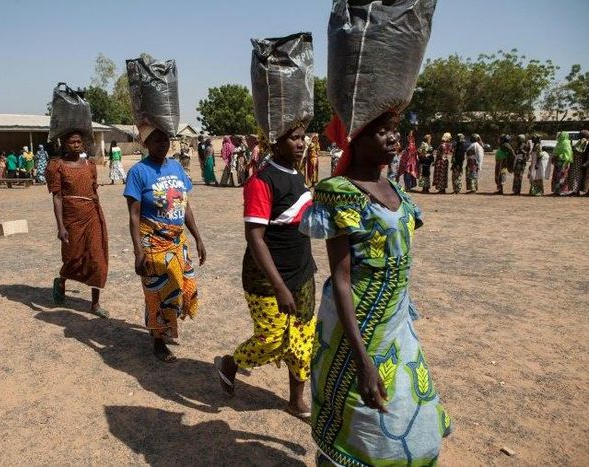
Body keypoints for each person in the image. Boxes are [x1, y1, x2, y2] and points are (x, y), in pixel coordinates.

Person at [301, 112, 451, 466]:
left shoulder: (395, 188)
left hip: (397, 321)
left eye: (393, 131)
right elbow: (341, 279)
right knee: (359, 414)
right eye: (380, 132)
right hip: (355, 326)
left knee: (413, 411)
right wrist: (362, 360)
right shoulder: (339, 192)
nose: (392, 138)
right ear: (355, 142)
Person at [215, 125, 316, 419]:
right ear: (275, 142)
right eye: (294, 139)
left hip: (302, 272)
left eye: (302, 138)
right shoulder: (262, 180)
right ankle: (230, 364)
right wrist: (279, 285)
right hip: (266, 278)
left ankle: (296, 401)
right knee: (271, 338)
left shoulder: (297, 175)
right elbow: (255, 237)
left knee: (302, 340)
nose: (301, 144)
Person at [124, 127, 206, 363]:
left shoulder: (176, 167)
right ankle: (158, 339)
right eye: (156, 139)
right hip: (153, 242)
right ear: (146, 143)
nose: (163, 143)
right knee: (158, 293)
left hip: (177, 239)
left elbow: (185, 206)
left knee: (184, 286)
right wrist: (138, 250)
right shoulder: (139, 172)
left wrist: (198, 238)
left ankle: (167, 325)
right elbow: (134, 215)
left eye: (165, 139)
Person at [45, 132, 109, 318]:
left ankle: (95, 304)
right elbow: (57, 197)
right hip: (71, 216)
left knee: (97, 258)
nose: (76, 145)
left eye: (79, 142)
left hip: (92, 214)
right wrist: (60, 226)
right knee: (73, 256)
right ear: (64, 145)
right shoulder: (57, 167)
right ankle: (61, 281)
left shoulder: (90, 165)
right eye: (71, 142)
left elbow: (93, 189)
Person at [552, 131, 574, 196]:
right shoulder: (562, 142)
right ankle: (559, 191)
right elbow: (569, 153)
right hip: (560, 161)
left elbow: (566, 153)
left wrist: (557, 156)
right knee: (560, 176)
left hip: (562, 161)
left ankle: (560, 191)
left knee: (560, 176)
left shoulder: (563, 143)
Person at [570, 130, 589, 195]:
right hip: (582, 161)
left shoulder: (582, 141)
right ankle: (577, 190)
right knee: (580, 176)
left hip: (578, 161)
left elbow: (578, 150)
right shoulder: (585, 141)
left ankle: (575, 191)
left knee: (576, 176)